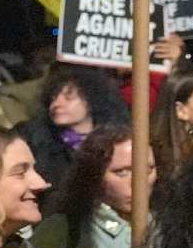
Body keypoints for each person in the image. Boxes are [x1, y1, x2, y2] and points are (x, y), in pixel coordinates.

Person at [15, 65, 129, 193]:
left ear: (92, 99)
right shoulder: (32, 137)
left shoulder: (116, 141)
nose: (56, 104)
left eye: (68, 98)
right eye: (53, 98)